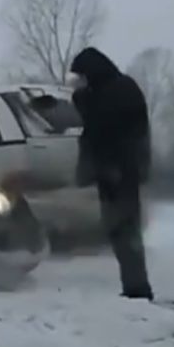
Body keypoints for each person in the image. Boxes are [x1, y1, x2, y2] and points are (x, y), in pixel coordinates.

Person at [70, 46, 154, 301]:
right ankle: (134, 287)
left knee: (124, 231)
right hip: (116, 172)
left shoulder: (116, 92)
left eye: (81, 76)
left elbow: (104, 130)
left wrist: (112, 169)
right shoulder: (114, 89)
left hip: (120, 172)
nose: (79, 82)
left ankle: (137, 289)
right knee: (121, 231)